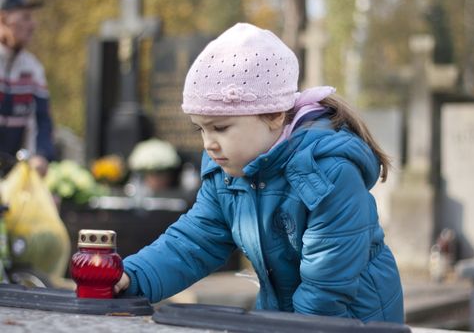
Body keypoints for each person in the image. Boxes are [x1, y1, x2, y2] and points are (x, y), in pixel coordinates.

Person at [115, 23, 404, 323]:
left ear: (275, 115)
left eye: (220, 127)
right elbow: (193, 243)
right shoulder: (226, 174)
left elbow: (327, 285)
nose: (208, 143)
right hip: (285, 320)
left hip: (354, 322)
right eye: (200, 128)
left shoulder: (328, 172)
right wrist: (132, 277)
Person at [0, 0, 55, 176]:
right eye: (25, 18)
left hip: (12, 172)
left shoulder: (33, 69)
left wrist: (41, 155)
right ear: (3, 19)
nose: (33, 25)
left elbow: (42, 120)